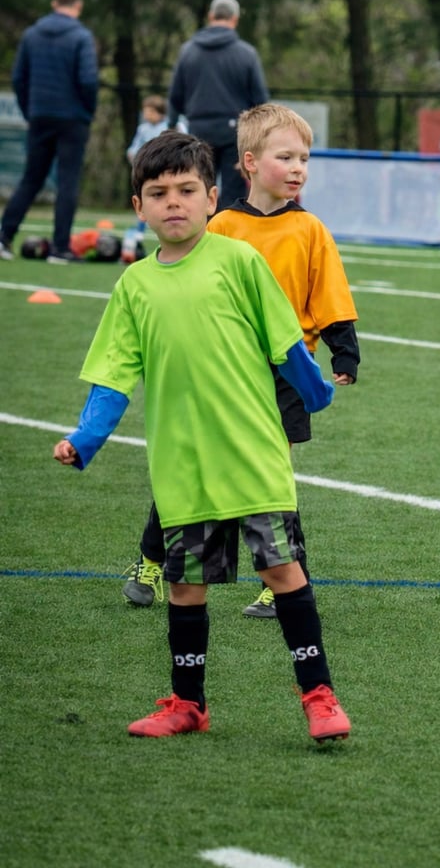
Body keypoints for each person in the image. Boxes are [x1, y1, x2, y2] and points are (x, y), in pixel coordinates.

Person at [53, 130, 351, 742]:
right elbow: (114, 374)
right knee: (186, 586)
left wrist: (316, 391)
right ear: (138, 207)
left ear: (212, 199)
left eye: (187, 190)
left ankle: (319, 698)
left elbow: (284, 342)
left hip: (252, 455)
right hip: (181, 464)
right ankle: (188, 704)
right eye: (158, 193)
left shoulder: (239, 262)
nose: (174, 202)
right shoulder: (134, 285)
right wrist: (86, 438)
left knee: (283, 572)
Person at [122, 103, 360, 620]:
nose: (298, 168)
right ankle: (151, 561)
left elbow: (329, 293)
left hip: (287, 373)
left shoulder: (311, 229)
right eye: (285, 157)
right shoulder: (222, 226)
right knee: (194, 470)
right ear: (250, 162)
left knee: (274, 477)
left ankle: (282, 581)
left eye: (304, 159)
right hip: (223, 372)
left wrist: (344, 348)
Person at [0, 0, 99, 264]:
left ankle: (4, 236)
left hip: (40, 115)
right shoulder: (81, 37)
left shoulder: (32, 35)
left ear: (55, 3)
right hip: (72, 118)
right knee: (67, 181)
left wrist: (30, 110)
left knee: (31, 178)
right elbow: (88, 80)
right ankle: (60, 248)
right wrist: (87, 111)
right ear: (78, 6)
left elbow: (19, 78)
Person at [167, 0, 269, 210]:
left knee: (200, 187)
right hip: (236, 132)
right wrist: (259, 138)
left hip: (198, 129)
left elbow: (176, 96)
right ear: (235, 19)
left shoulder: (188, 51)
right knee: (233, 193)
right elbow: (260, 101)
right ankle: (227, 229)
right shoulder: (246, 54)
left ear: (211, 16)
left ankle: (200, 229)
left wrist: (171, 126)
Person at [122, 96, 170, 261]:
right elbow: (134, 148)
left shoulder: (170, 127)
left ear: (160, 113)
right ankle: (138, 234)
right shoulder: (143, 129)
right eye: (145, 111)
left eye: (150, 111)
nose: (146, 115)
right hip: (147, 173)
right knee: (145, 201)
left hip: (164, 174)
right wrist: (132, 154)